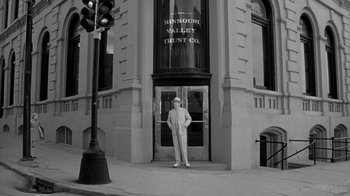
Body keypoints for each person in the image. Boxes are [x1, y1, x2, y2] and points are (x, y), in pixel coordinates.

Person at [167, 97, 192, 168]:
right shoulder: (171, 112)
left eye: (177, 102)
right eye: (174, 102)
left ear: (179, 103)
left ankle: (186, 161)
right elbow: (168, 120)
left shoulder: (184, 110)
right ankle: (178, 161)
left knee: (183, 146)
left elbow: (189, 118)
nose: (175, 103)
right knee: (176, 146)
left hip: (182, 130)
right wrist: (171, 126)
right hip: (175, 130)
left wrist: (185, 125)